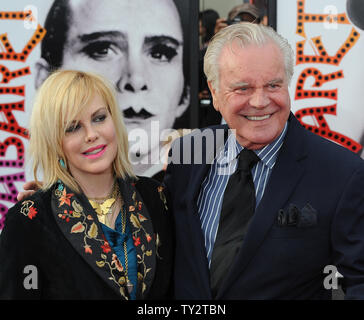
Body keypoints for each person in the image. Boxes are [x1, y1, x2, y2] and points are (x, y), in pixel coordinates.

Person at [164, 23, 364, 299]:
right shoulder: (189, 152)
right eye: (243, 88)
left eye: (273, 85)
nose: (260, 101)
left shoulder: (342, 173)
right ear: (214, 91)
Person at [0, 70, 173, 299]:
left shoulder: (156, 197)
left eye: (99, 118)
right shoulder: (30, 219)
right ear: (54, 141)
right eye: (73, 127)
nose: (91, 134)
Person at [35, 0, 190, 180]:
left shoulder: (185, 198)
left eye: (160, 53)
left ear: (185, 94)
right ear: (46, 81)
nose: (136, 80)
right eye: (102, 50)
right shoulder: (37, 206)